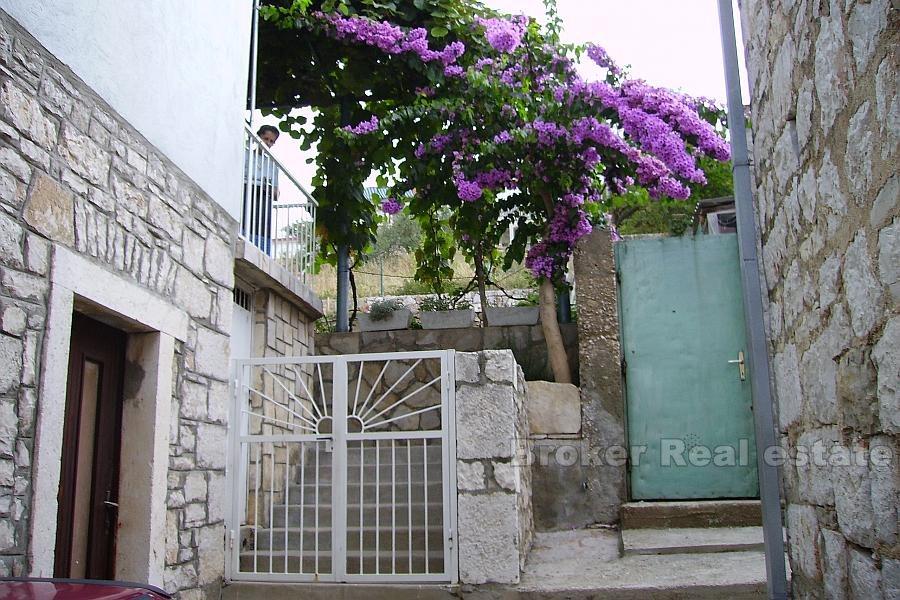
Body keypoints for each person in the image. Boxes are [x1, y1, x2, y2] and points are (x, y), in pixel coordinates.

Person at [243, 125, 280, 255]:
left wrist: (270, 189)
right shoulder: (246, 154)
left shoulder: (273, 164)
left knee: (262, 228)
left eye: (272, 141)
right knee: (246, 222)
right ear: (258, 137)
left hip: (264, 199)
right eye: (266, 139)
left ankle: (261, 251)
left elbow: (277, 193)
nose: (268, 143)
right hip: (247, 194)